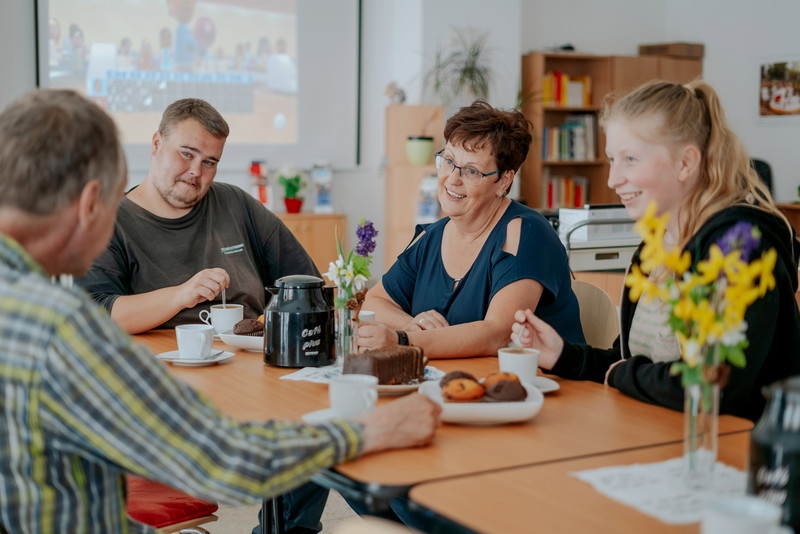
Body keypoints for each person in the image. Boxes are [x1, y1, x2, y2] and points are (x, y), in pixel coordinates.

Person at [0, 88, 440, 533]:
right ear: (91, 201)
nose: (196, 171)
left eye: (208, 160)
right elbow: (220, 459)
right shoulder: (59, 326)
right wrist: (371, 430)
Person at [513, 79, 800, 422]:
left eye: (630, 159)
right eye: (611, 160)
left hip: (737, 456)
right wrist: (563, 356)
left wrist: (621, 375)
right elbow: (634, 362)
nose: (612, 179)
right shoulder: (656, 245)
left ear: (685, 163)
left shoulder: (739, 249)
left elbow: (712, 385)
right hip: (656, 435)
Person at [357, 99, 585, 358]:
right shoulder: (430, 237)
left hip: (546, 389)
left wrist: (405, 339)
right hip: (464, 383)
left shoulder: (527, 233)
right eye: (449, 161)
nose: (453, 179)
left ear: (504, 179)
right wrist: (412, 325)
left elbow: (498, 334)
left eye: (472, 171)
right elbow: (375, 302)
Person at [77, 98, 316, 334]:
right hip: (163, 365)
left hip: (250, 363)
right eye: (187, 154)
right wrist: (181, 295)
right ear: (156, 144)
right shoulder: (109, 222)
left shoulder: (237, 204)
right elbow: (96, 313)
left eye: (209, 162)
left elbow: (307, 285)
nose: (195, 171)